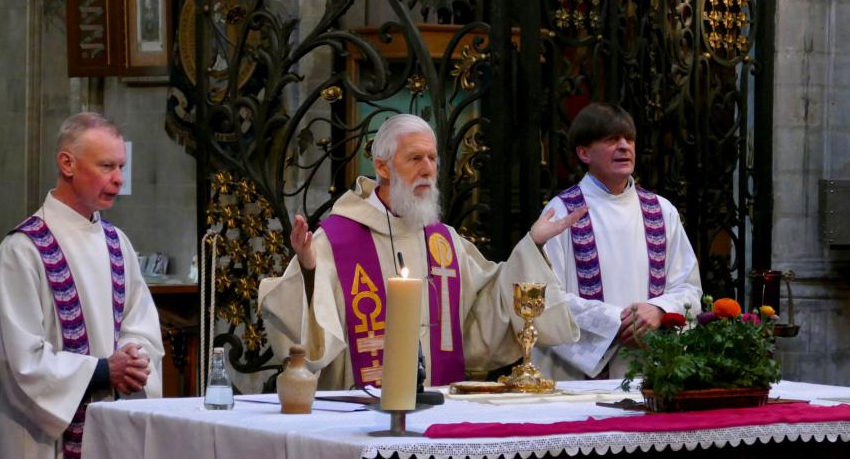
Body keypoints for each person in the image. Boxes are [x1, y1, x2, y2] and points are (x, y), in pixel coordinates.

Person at [259, 114, 584, 390]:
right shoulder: (337, 240)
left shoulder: (444, 241)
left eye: (432, 158)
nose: (428, 168)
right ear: (383, 167)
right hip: (363, 411)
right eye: (415, 158)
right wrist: (308, 268)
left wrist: (532, 245)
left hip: (438, 405)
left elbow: (485, 310)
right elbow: (304, 338)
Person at [0, 113, 164, 459]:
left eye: (121, 167)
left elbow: (141, 326)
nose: (117, 180)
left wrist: (132, 361)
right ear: (67, 163)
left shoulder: (117, 242)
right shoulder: (23, 250)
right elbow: (17, 359)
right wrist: (100, 371)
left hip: (110, 424)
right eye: (107, 166)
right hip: (40, 437)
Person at [532, 103, 702, 380]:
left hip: (650, 374)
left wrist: (659, 310)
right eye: (611, 139)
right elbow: (545, 298)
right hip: (580, 378)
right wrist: (615, 324)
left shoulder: (662, 211)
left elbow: (690, 289)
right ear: (584, 153)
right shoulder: (560, 213)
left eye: (629, 139)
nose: (624, 146)